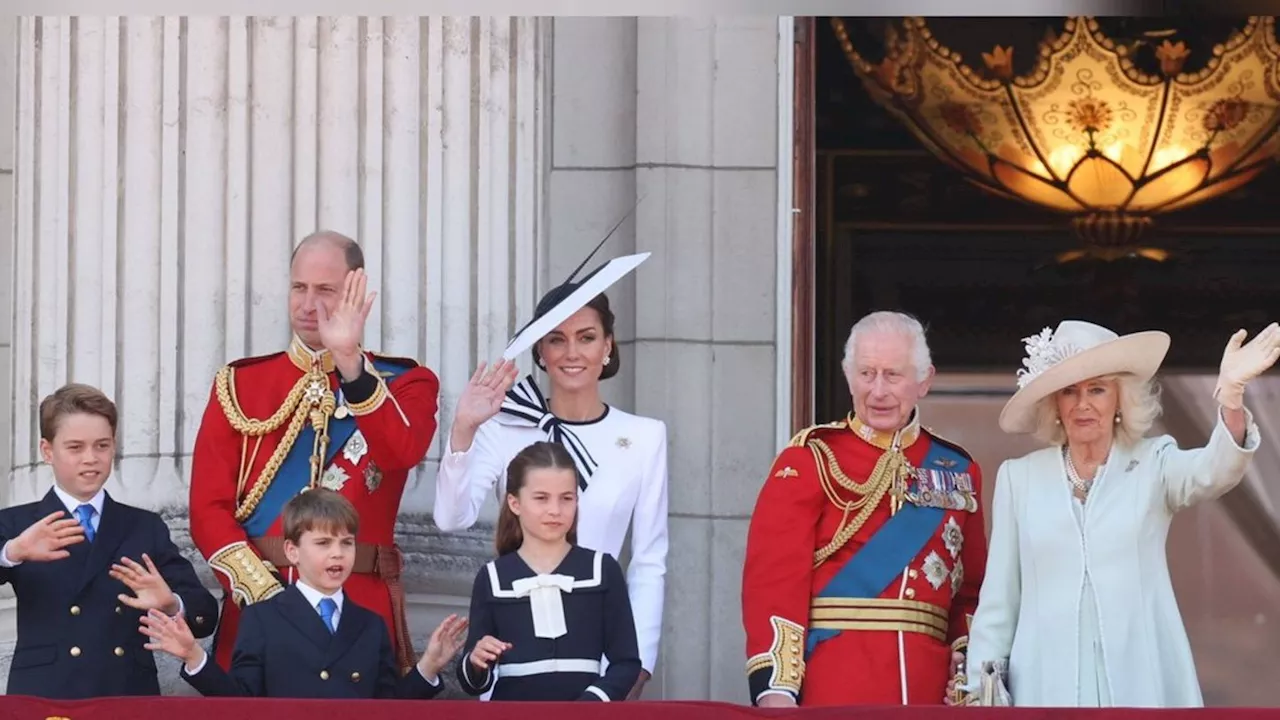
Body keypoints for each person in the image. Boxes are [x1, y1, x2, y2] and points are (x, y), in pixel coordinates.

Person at [961, 320, 1280, 708]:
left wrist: (1230, 397)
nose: (1083, 404)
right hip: (1046, 685)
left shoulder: (1153, 463)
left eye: (1097, 389)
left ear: (1119, 400)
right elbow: (999, 600)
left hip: (1141, 680)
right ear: (1055, 405)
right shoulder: (1019, 478)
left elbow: (1214, 471)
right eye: (1069, 392)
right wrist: (980, 692)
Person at [189, 231, 440, 673]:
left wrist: (350, 366)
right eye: (299, 288)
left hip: (357, 607)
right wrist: (266, 596)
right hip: (259, 608)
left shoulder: (406, 384)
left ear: (355, 294)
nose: (308, 304)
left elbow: (401, 452)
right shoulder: (239, 385)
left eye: (325, 291)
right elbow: (208, 507)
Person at [433, 240, 667, 698]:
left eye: (586, 337)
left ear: (607, 346)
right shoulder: (504, 427)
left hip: (602, 653)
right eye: (556, 339)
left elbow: (649, 561)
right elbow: (450, 518)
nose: (571, 352)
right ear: (540, 351)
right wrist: (463, 428)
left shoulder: (645, 436)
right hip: (513, 644)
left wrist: (637, 665)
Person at [741, 310, 989, 707]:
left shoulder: (958, 469)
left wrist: (967, 674)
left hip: (929, 691)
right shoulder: (813, 457)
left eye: (893, 375)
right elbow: (773, 581)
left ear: (924, 381)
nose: (878, 391)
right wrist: (777, 687)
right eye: (866, 374)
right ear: (847, 375)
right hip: (833, 681)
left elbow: (972, 593)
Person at [0, 383, 218, 698]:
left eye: (101, 446)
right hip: (47, 691)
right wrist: (12, 552)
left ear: (114, 446)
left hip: (125, 690)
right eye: (75, 447)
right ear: (47, 451)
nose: (90, 458)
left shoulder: (144, 526)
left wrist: (170, 602)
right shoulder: (16, 523)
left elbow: (204, 614)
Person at [141, 488, 467, 699]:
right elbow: (241, 701)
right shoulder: (262, 618)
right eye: (323, 544)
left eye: (346, 543)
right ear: (292, 551)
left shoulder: (370, 625)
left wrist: (428, 667)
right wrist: (194, 657)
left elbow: (387, 708)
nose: (337, 554)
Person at [457, 441, 642, 701]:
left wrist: (589, 705)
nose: (555, 510)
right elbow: (472, 682)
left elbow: (627, 663)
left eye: (566, 498)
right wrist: (476, 661)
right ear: (514, 503)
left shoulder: (602, 569)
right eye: (541, 498)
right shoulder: (493, 577)